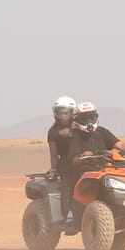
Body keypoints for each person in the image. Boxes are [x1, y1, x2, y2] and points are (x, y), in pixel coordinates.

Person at [64, 101, 125, 234]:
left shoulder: (102, 132)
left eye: (91, 117)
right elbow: (73, 160)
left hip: (105, 168)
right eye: (85, 118)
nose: (89, 121)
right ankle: (73, 214)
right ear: (77, 119)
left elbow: (120, 145)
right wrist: (85, 155)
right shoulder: (74, 136)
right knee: (90, 175)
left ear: (96, 117)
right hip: (84, 170)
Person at [46, 95, 77, 225]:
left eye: (66, 113)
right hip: (65, 163)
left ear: (72, 113)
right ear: (55, 114)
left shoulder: (79, 128)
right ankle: (68, 213)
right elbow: (54, 154)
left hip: (83, 161)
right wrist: (54, 168)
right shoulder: (53, 132)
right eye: (60, 113)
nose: (63, 116)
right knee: (67, 186)